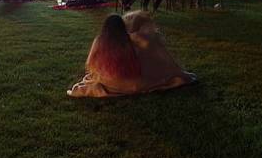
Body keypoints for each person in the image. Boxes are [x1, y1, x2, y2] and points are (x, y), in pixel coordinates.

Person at [67, 12, 196, 98]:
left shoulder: (100, 40)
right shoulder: (131, 40)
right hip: (134, 84)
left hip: (111, 82)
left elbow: (90, 63)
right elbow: (147, 44)